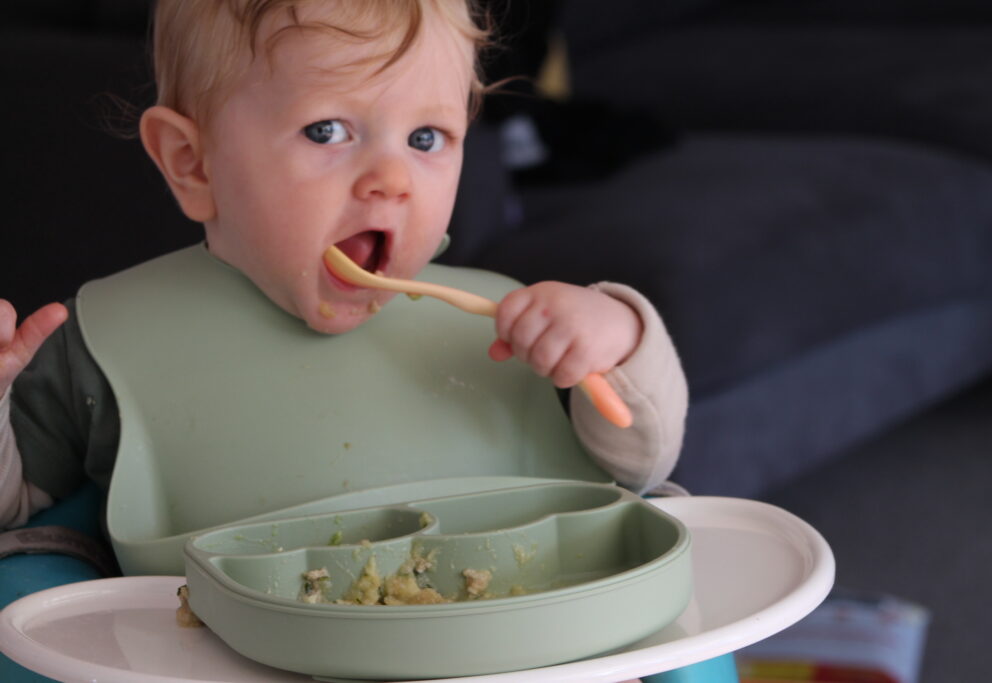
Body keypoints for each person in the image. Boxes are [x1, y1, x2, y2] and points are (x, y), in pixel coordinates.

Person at [0, 0, 686, 534]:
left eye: (426, 138)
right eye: (327, 130)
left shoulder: (513, 330)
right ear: (193, 162)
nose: (391, 178)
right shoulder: (102, 346)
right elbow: (18, 508)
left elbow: (641, 466)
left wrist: (618, 339)